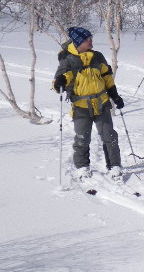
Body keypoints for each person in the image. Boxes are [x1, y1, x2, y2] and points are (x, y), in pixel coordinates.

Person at [53, 26, 125, 181]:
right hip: (81, 107)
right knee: (82, 138)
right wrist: (59, 82)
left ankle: (114, 166)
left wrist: (115, 96)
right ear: (79, 42)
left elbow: (107, 78)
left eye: (90, 38)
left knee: (110, 136)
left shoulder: (97, 56)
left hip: (102, 103)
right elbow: (59, 82)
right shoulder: (68, 59)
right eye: (87, 39)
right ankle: (82, 167)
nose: (91, 41)